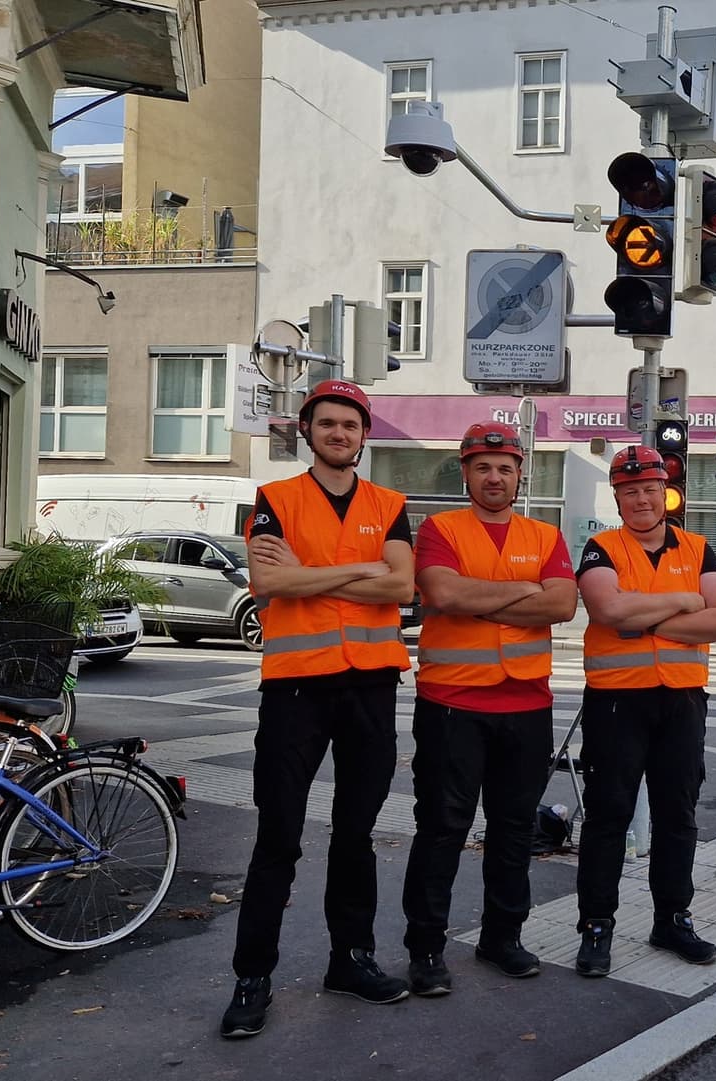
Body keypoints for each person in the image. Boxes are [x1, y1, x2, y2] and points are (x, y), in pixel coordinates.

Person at [222, 380, 415, 1040]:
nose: (340, 433)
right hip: (296, 690)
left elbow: (404, 583)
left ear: (365, 435)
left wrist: (319, 572)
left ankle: (351, 960)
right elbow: (271, 580)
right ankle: (253, 977)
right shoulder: (275, 499)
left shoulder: (390, 504)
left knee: (355, 834)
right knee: (278, 836)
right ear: (309, 432)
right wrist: (360, 572)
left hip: (369, 688)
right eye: (328, 423)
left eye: (350, 425)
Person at [400, 422, 577, 996]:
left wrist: (489, 596)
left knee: (514, 828)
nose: (494, 476)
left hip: (526, 702)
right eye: (482, 466)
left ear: (521, 473)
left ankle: (503, 936)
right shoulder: (439, 529)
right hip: (452, 701)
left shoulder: (545, 535)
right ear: (466, 472)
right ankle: (426, 948)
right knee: (442, 828)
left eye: (505, 467)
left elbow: (565, 604)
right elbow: (444, 595)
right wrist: (526, 592)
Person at [572, 446, 716, 977]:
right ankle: (596, 928)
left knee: (677, 816)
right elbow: (608, 609)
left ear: (665, 493)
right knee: (607, 818)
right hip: (618, 700)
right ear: (617, 497)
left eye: (649, 489)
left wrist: (647, 619)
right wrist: (685, 602)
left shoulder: (698, 548)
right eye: (629, 490)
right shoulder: (601, 548)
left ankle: (672, 919)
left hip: (682, 700)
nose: (641, 499)